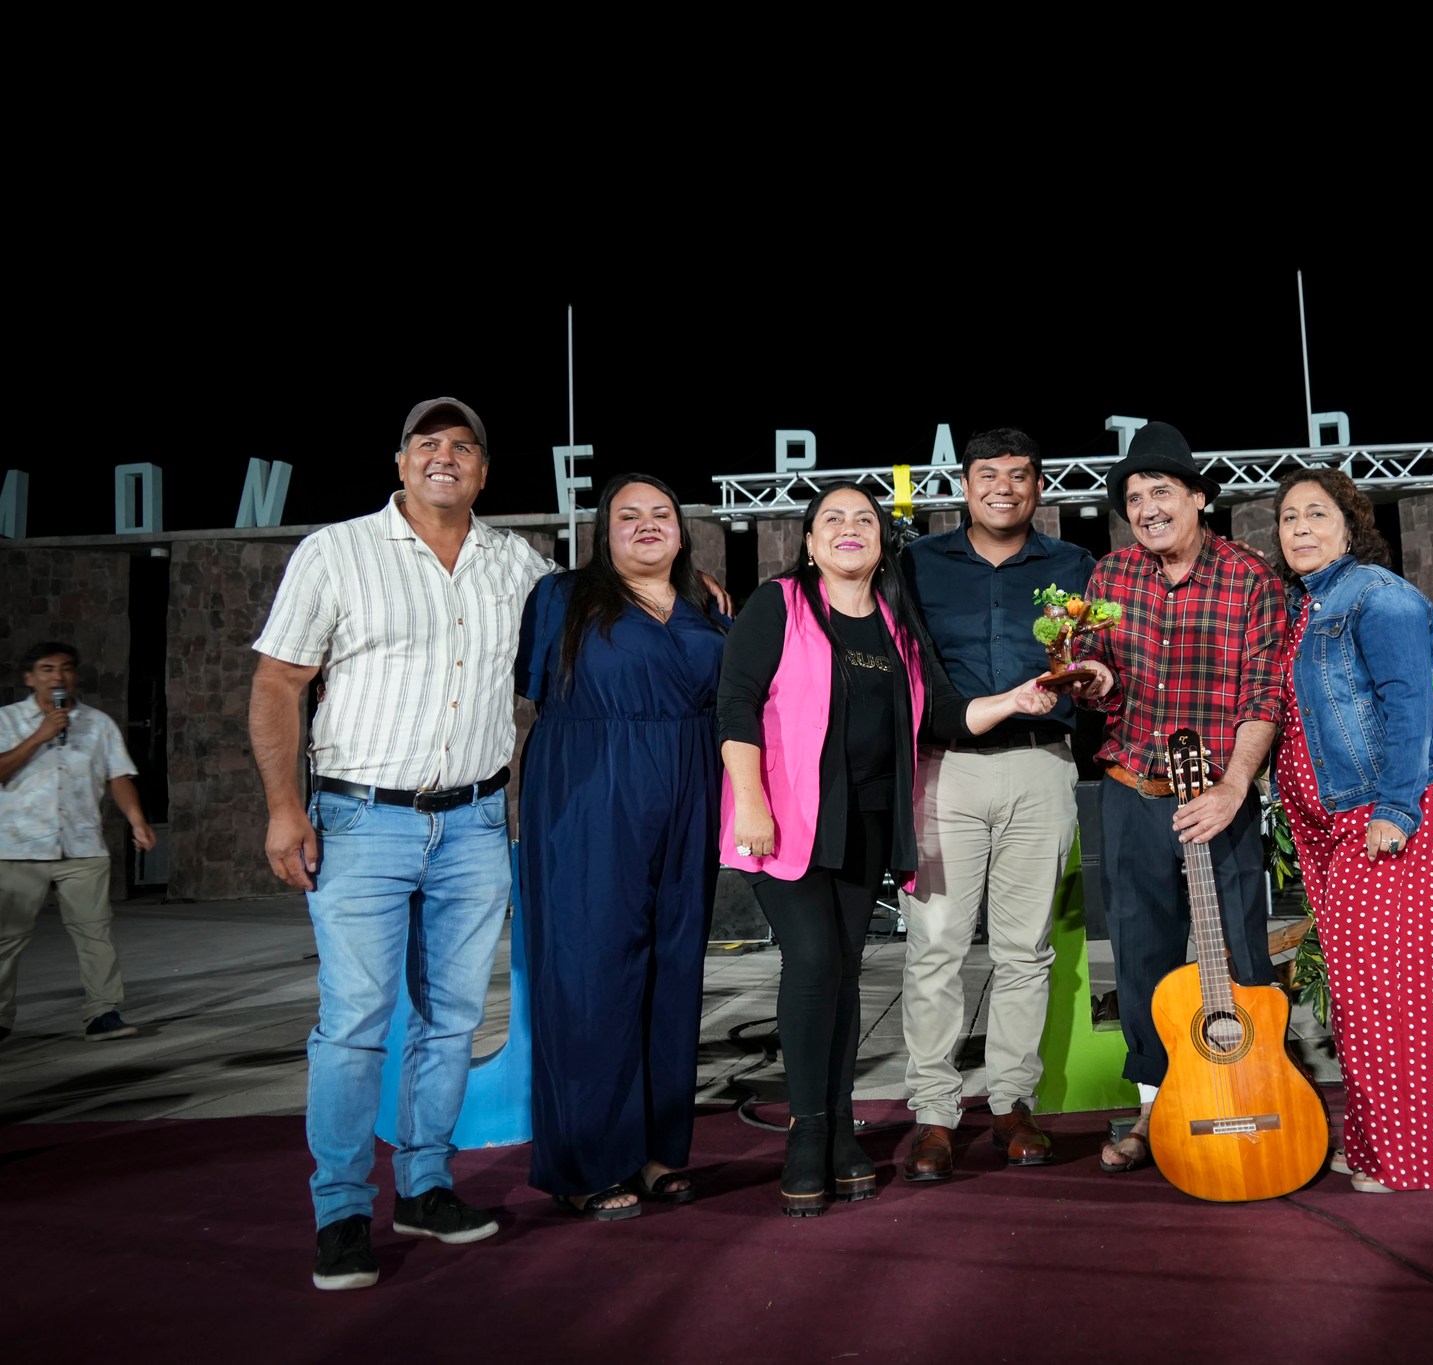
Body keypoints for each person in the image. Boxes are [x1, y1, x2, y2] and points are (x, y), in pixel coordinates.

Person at [248, 397, 555, 1291]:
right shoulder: (336, 551)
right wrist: (282, 807)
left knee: (455, 1017)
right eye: (429, 443)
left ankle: (425, 1184)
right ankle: (341, 1210)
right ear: (401, 461)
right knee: (354, 1022)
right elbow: (277, 683)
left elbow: (587, 625)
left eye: (464, 445)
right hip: (360, 818)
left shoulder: (517, 565)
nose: (446, 456)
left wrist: (691, 597)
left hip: (473, 824)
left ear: (486, 471)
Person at [717, 481, 1055, 1216]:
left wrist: (1017, 698)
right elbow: (735, 698)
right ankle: (808, 1133)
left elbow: (944, 711)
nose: (847, 528)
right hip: (790, 822)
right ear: (808, 542)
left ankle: (841, 1126)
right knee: (812, 962)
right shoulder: (779, 604)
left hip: (868, 824)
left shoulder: (899, 627)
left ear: (879, 541)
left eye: (862, 519)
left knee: (843, 972)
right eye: (830, 519)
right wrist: (750, 799)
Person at [1065, 422, 1287, 1175]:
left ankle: (1253, 1093)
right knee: (1141, 962)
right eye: (1134, 497)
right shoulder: (1109, 576)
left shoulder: (1250, 580)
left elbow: (1265, 695)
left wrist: (1233, 787)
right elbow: (1095, 670)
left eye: (1162, 491)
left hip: (1218, 798)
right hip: (1131, 794)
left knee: (1243, 957)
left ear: (1198, 497)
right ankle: (1157, 1107)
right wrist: (1091, 677)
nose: (1148, 508)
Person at [515, 472, 726, 1221]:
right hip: (590, 795)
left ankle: (659, 1149)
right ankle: (588, 1161)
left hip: (689, 792)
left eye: (660, 514)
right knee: (591, 973)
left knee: (674, 967)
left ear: (681, 528)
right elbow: (532, 695)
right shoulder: (561, 598)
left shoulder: (708, 605)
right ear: (602, 531)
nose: (645, 524)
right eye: (627, 515)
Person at [896, 428, 1095, 1180]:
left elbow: (1096, 655)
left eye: (1019, 475)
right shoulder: (917, 564)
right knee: (935, 949)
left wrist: (1098, 677)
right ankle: (935, 1114)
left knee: (1024, 951)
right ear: (964, 484)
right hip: (944, 771)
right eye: (988, 474)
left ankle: (1013, 1103)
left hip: (1041, 768)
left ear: (1039, 487)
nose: (1004, 486)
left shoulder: (1075, 565)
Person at [1269, 468, 1433, 1192]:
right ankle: (1376, 1143)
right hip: (1331, 824)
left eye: (1317, 514)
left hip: (1385, 814)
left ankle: (1407, 1162)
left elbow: (1410, 707)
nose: (1301, 529)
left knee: (1397, 993)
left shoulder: (1379, 596)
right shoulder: (1304, 605)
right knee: (1359, 993)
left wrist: (1395, 807)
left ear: (1350, 526)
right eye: (1289, 518)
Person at [0, 642, 157, 1045]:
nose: (58, 677)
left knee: (95, 933)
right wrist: (40, 735)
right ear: (29, 677)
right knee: (7, 938)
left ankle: (103, 1013)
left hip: (83, 845)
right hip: (19, 847)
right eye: (47, 669)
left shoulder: (97, 723)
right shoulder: (7, 720)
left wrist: (137, 820)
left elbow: (118, 776)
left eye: (66, 669)